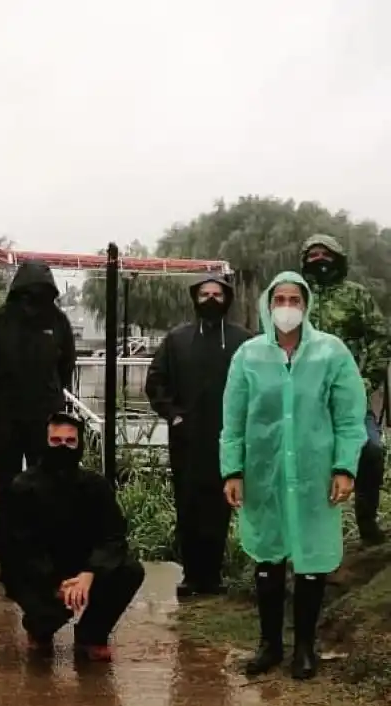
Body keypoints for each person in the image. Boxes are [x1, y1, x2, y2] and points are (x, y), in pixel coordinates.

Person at [221, 271, 366, 680]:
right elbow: (232, 420)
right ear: (268, 305)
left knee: (311, 559)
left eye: (294, 299)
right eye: (279, 299)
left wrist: (344, 467)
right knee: (267, 555)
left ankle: (304, 647)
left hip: (314, 474)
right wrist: (232, 469)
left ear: (306, 305)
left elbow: (350, 417)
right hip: (263, 472)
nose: (287, 307)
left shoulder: (331, 353)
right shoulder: (248, 356)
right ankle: (270, 644)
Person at [0, 412, 144, 662]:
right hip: (40, 572)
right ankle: (39, 628)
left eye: (70, 442)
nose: (63, 447)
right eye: (56, 441)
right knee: (39, 609)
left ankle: (91, 635)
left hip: (83, 568)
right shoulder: (22, 487)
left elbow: (113, 536)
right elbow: (11, 546)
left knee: (130, 570)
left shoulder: (96, 486)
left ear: (79, 444)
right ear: (45, 442)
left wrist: (89, 573)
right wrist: (55, 584)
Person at [144, 274, 251, 598]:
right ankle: (191, 576)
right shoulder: (177, 339)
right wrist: (173, 415)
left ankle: (213, 576)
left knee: (219, 507)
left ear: (227, 299)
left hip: (226, 438)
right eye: (204, 293)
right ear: (195, 299)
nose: (210, 299)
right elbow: (156, 381)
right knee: (188, 506)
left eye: (217, 294)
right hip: (187, 439)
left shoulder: (243, 340)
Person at [0, 260, 76, 568]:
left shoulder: (58, 322)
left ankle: (41, 557)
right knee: (6, 488)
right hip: (6, 418)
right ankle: (7, 560)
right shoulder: (0, 320)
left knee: (45, 487)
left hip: (45, 420)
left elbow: (66, 367)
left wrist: (50, 398)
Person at [298, 234, 390, 545]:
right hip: (303, 397)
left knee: (372, 450)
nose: (319, 259)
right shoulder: (296, 297)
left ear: (337, 258)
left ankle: (367, 523)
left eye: (325, 253)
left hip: (349, 394)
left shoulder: (356, 296)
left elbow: (380, 337)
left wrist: (366, 381)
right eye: (312, 255)